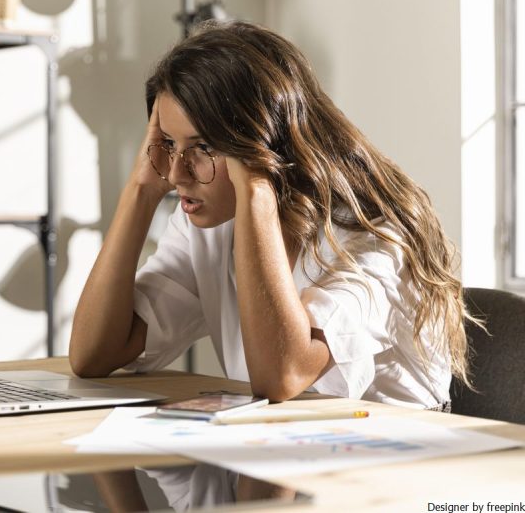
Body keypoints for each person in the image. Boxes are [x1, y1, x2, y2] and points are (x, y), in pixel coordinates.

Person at [68, 20, 472, 410]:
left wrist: (257, 187)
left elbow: (283, 375)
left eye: (204, 146)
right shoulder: (207, 227)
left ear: (264, 147)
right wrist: (140, 191)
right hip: (284, 454)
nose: (176, 173)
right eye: (170, 143)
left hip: (391, 466)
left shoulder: (374, 237)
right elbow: (93, 355)